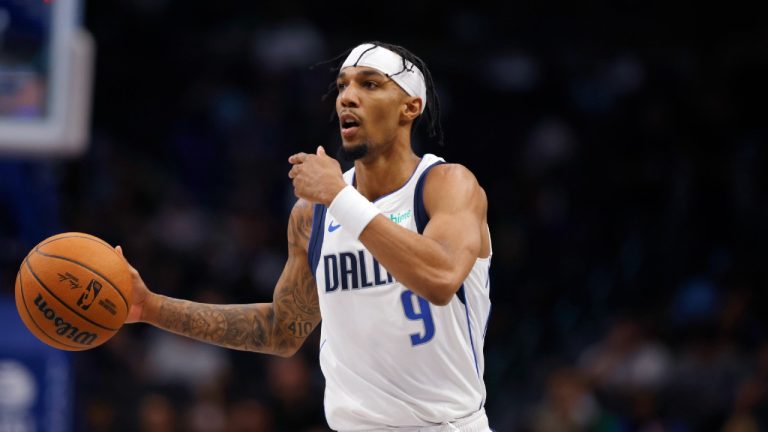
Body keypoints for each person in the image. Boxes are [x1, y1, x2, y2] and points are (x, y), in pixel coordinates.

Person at [118, 42, 493, 431]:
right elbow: (282, 331)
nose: (348, 97)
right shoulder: (313, 214)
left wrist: (339, 196)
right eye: (343, 85)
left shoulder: (445, 185)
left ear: (410, 107)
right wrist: (152, 308)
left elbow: (440, 277)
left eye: (369, 84)